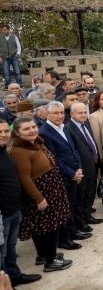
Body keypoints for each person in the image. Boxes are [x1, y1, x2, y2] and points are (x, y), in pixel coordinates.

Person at [9, 117, 73, 272]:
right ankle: (50, 262)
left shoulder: (35, 142)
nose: (32, 130)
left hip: (51, 189)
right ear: (17, 133)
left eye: (33, 127)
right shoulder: (19, 151)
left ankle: (44, 255)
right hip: (41, 192)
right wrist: (39, 198)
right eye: (26, 129)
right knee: (48, 227)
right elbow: (24, 178)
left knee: (45, 227)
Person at [38, 102, 88, 250]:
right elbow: (53, 159)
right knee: (64, 209)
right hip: (62, 177)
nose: (60, 116)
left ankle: (73, 232)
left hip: (74, 173)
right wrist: (72, 173)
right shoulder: (44, 132)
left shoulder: (64, 127)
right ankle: (64, 239)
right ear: (47, 114)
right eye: (55, 113)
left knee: (71, 205)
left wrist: (78, 169)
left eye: (61, 112)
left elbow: (74, 150)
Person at [0, 119, 42, 286]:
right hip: (2, 213)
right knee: (1, 253)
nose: (3, 134)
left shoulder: (4, 150)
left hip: (14, 209)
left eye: (5, 131)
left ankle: (14, 276)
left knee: (11, 248)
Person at [65, 103, 103, 234]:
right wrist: (79, 168)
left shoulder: (85, 123)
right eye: (80, 113)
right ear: (72, 114)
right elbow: (73, 150)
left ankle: (87, 215)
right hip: (81, 168)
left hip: (92, 163)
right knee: (80, 197)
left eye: (84, 112)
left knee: (89, 193)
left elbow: (90, 142)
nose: (83, 115)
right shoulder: (68, 128)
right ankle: (80, 222)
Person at [0, 24, 22, 90]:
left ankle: (19, 85)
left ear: (8, 30)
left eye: (5, 30)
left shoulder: (14, 37)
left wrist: (18, 54)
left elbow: (18, 46)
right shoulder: (0, 38)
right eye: (2, 30)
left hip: (14, 56)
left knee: (17, 71)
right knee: (6, 72)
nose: (3, 31)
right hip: (4, 57)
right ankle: (7, 86)